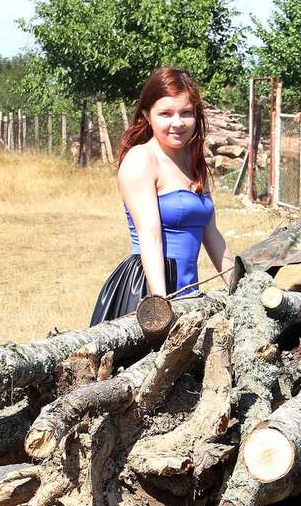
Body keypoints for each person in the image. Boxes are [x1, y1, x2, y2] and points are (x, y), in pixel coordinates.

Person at [90, 67, 235, 325]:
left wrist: (240, 287)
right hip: (149, 290)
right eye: (165, 114)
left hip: (188, 291)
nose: (177, 123)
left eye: (186, 113)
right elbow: (150, 236)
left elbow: (211, 234)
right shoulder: (141, 159)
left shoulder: (194, 161)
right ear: (147, 115)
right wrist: (161, 305)